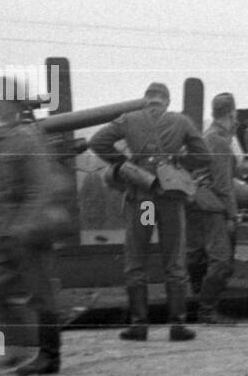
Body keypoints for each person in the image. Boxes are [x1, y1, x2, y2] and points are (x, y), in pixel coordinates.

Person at [89, 81, 210, 341]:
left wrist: (124, 165)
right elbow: (203, 155)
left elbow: (97, 141)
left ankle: (139, 325)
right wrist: (178, 161)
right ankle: (177, 325)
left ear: (147, 99)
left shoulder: (129, 119)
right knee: (174, 258)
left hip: (144, 200)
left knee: (136, 258)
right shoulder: (181, 122)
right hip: (169, 199)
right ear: (166, 101)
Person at [0, 76, 74, 375]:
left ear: (14, 105)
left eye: (1, 101)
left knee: (42, 293)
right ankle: (13, 350)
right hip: (7, 229)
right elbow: (2, 189)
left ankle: (49, 357)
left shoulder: (28, 138)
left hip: (31, 230)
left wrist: (25, 226)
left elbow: (40, 189)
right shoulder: (5, 138)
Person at [187, 91, 239, 325]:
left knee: (198, 253)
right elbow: (223, 185)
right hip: (211, 204)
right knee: (221, 260)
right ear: (231, 113)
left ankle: (197, 300)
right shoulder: (219, 141)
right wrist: (232, 215)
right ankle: (207, 311)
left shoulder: (207, 135)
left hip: (197, 201)